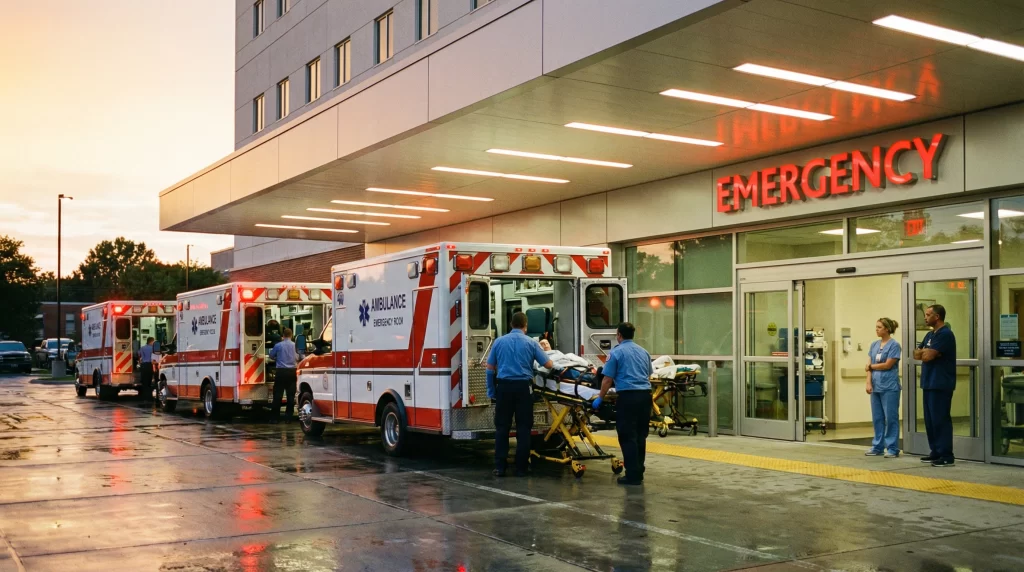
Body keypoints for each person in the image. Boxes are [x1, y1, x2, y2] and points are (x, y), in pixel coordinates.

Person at [486, 311, 553, 477]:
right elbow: (549, 364)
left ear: (510, 325)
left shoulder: (499, 342)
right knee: (524, 429)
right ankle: (521, 468)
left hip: (504, 388)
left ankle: (500, 467)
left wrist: (491, 390)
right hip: (523, 389)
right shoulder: (531, 343)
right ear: (526, 326)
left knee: (502, 428)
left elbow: (489, 369)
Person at [593, 322, 653, 485]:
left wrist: (600, 397)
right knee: (641, 436)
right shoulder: (644, 352)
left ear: (619, 335)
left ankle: (632, 475)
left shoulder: (616, 353)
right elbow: (648, 374)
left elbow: (607, 379)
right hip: (645, 397)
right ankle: (639, 470)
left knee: (627, 436)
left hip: (628, 398)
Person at [914, 304, 957, 467]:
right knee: (930, 420)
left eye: (928, 314)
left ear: (937, 316)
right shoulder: (930, 334)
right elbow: (917, 354)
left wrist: (928, 352)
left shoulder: (945, 334)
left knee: (940, 419)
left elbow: (928, 356)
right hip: (928, 382)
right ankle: (936, 451)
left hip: (941, 383)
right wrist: (926, 351)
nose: (925, 317)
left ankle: (946, 455)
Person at [864, 318, 902, 458]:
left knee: (891, 417)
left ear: (887, 329)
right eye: (876, 327)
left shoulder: (894, 346)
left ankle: (892, 448)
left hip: (890, 387)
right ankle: (877, 446)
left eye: (879, 327)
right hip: (876, 386)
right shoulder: (874, 345)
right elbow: (867, 366)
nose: (877, 329)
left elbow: (887, 365)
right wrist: (868, 382)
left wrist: (871, 367)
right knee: (877, 417)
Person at [269, 327, 298, 423]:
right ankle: (288, 418)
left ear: (283, 336)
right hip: (292, 372)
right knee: (290, 396)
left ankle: (274, 419)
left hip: (281, 372)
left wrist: (278, 358)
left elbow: (271, 356)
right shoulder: (295, 345)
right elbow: (301, 357)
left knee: (277, 395)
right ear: (291, 335)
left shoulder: (278, 345)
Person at [139, 337, 156, 402]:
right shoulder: (153, 348)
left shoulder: (142, 348)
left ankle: (144, 397)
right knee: (149, 382)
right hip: (150, 365)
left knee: (144, 382)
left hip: (143, 365)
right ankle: (149, 397)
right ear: (151, 342)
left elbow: (139, 355)